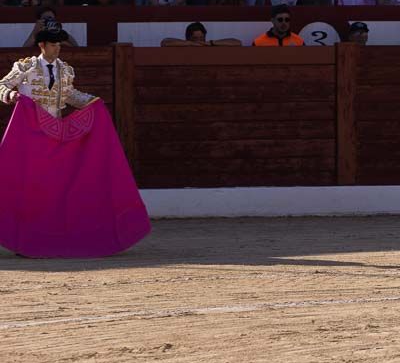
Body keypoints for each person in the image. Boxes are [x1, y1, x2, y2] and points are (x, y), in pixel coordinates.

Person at [0, 21, 150, 258]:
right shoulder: (25, 67)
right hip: (29, 133)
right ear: (42, 45)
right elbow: (2, 85)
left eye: (60, 43)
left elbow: (70, 95)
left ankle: (44, 235)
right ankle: (25, 236)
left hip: (54, 133)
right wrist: (10, 95)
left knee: (51, 188)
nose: (58, 47)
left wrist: (93, 103)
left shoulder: (65, 70)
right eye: (53, 43)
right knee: (30, 186)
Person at [161, 22, 242, 46]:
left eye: (201, 38)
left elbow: (238, 43)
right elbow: (164, 42)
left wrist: (211, 43)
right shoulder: (184, 45)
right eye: (195, 38)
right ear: (188, 38)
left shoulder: (209, 45)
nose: (199, 41)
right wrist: (190, 44)